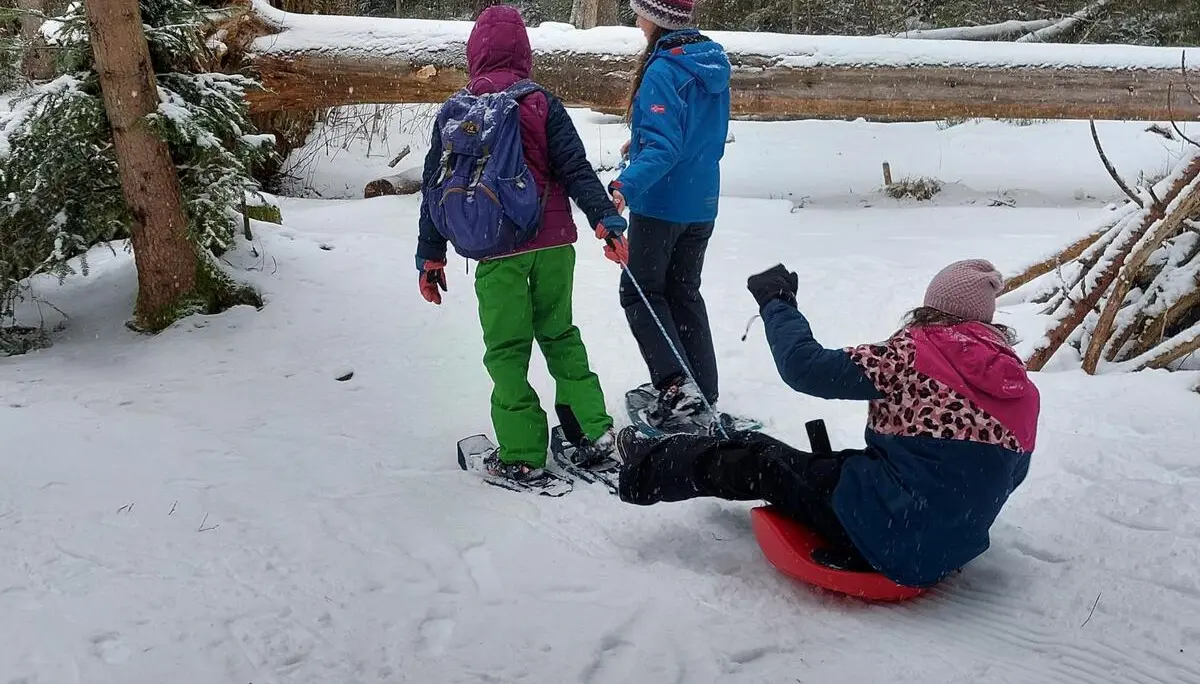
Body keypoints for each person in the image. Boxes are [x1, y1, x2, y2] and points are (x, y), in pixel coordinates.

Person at [614, 260, 1041, 588]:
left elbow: (804, 367)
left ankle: (642, 468)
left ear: (932, 308)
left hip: (888, 532)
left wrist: (776, 301)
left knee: (757, 458)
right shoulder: (1019, 385)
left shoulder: (912, 354)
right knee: (837, 466)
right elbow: (1004, 474)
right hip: (952, 544)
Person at [416, 5, 629, 486]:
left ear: (475, 54)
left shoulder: (456, 110)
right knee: (560, 334)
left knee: (507, 350)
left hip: (496, 250)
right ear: (524, 54)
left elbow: (434, 188)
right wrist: (606, 220)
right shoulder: (541, 103)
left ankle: (522, 453)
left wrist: (431, 256)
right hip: (553, 246)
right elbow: (576, 169)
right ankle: (591, 432)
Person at [600, 0, 731, 430]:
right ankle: (702, 388)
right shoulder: (710, 61)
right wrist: (638, 145)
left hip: (663, 204)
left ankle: (677, 388)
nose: (636, 19)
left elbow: (664, 148)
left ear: (657, 17)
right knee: (683, 292)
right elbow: (696, 131)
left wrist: (624, 185)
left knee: (640, 292)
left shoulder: (663, 70)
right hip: (701, 200)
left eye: (640, 12)